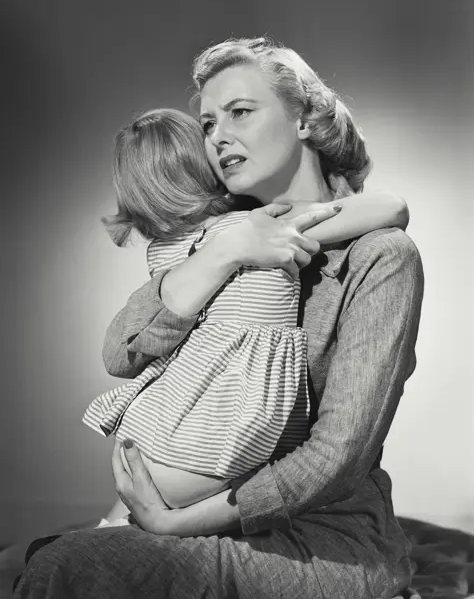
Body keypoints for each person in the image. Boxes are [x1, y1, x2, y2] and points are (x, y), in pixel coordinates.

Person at [14, 37, 424, 599]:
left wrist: (175, 523)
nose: (219, 136)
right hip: (196, 512)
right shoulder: (217, 235)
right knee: (60, 560)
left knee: (72, 569)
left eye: (240, 112)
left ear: (303, 119)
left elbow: (337, 456)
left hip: (323, 541)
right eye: (207, 124)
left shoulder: (379, 258)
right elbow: (121, 353)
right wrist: (223, 254)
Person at [83, 107, 409, 519]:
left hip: (155, 428)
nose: (220, 140)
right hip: (219, 436)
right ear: (203, 167)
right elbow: (391, 208)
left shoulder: (164, 253)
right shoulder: (255, 227)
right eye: (208, 129)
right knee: (114, 544)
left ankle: (108, 532)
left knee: (109, 536)